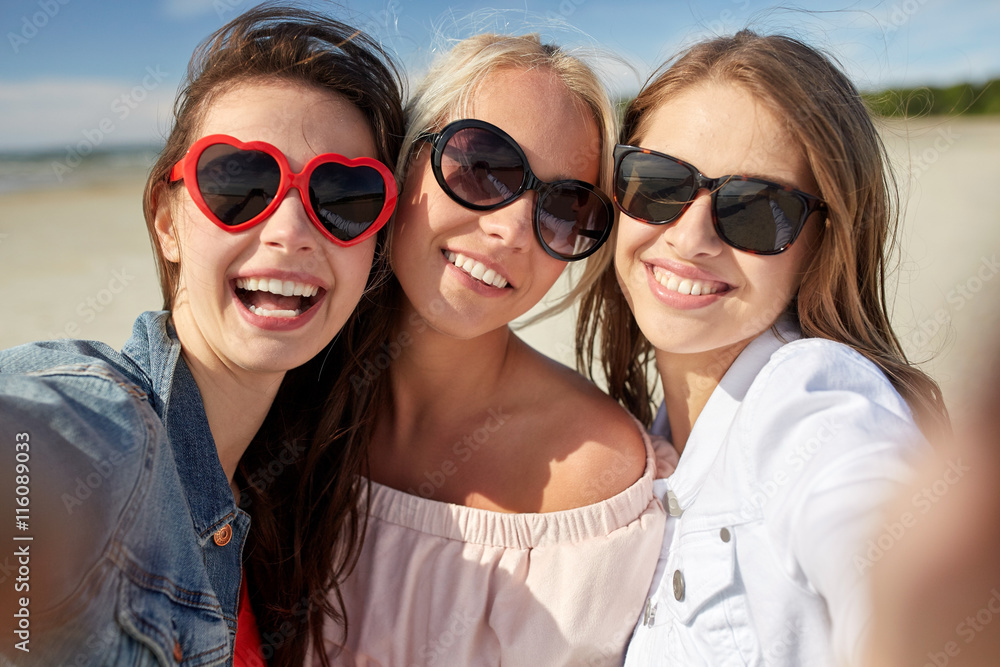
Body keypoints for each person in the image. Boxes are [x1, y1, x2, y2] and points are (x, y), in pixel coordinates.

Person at [0, 5, 404, 665]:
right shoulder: (108, 436)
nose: (292, 229)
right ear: (166, 217)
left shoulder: (286, 495)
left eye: (345, 196)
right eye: (242, 181)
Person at [576, 30, 950, 666]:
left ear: (822, 242)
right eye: (658, 184)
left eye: (755, 208)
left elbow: (903, 572)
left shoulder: (810, 400)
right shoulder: (652, 444)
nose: (691, 237)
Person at [314, 33, 665, 666]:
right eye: (483, 167)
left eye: (565, 206)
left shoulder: (589, 480)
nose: (510, 230)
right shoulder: (294, 393)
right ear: (404, 158)